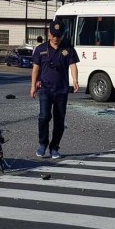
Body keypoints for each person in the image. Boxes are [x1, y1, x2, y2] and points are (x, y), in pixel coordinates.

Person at [31, 20, 80, 159]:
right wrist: (33, 86)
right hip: (45, 89)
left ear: (62, 36)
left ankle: (54, 147)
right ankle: (42, 144)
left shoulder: (68, 49)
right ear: (49, 34)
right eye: (53, 35)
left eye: (58, 36)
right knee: (44, 117)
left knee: (59, 121)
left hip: (61, 90)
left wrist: (75, 80)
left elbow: (73, 65)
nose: (56, 38)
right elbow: (36, 68)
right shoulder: (40, 49)